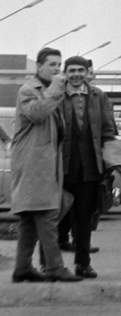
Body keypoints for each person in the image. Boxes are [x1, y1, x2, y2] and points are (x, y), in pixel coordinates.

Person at [9, 47, 77, 284]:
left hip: (43, 163)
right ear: (39, 67)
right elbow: (37, 113)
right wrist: (57, 89)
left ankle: (22, 268)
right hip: (32, 163)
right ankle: (54, 267)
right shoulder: (29, 90)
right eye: (52, 65)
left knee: (29, 217)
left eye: (59, 65)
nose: (57, 69)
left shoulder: (48, 91)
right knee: (47, 214)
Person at [54, 56, 116, 280]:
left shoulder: (99, 96)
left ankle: (83, 263)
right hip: (61, 165)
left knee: (84, 217)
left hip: (90, 166)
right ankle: (51, 265)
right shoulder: (57, 95)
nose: (76, 74)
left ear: (88, 72)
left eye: (80, 70)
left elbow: (108, 131)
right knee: (56, 214)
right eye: (71, 70)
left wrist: (108, 162)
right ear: (65, 73)